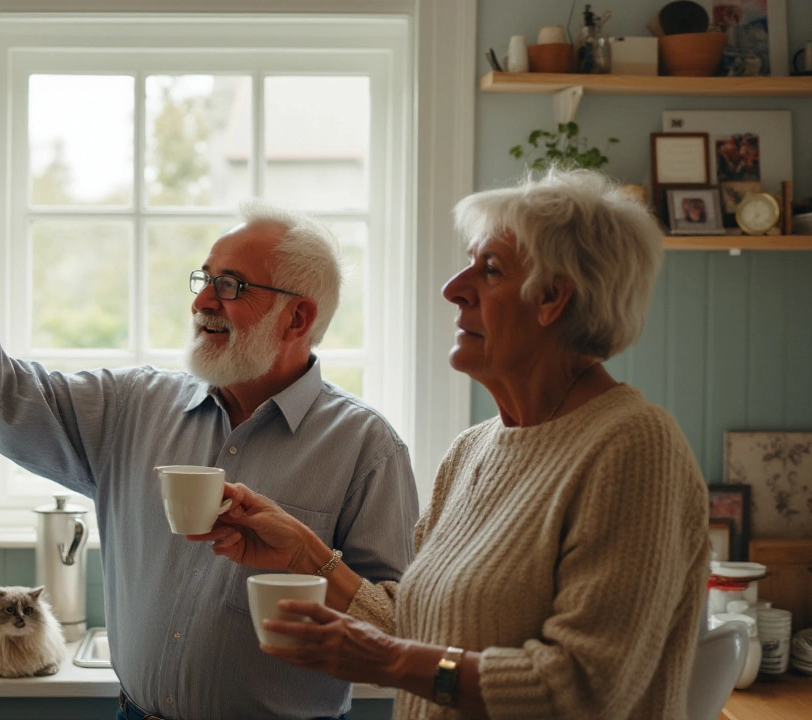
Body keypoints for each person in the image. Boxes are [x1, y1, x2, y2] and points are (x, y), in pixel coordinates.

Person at [0, 161, 419, 720]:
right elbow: (3, 391)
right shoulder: (133, 407)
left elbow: (398, 632)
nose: (202, 302)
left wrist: (309, 558)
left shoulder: (368, 449)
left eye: (231, 286)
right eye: (205, 279)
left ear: (298, 317)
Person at [192, 169, 709, 719]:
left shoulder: (633, 446)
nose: (453, 288)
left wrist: (388, 663)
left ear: (553, 298)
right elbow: (416, 629)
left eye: (488, 269)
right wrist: (304, 552)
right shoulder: (473, 450)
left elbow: (584, 686)